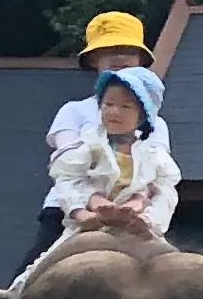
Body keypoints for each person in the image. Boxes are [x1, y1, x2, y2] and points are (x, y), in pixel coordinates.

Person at [27, 11, 162, 262]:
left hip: (133, 213)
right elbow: (68, 165)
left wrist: (136, 205)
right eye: (110, 49)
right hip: (69, 209)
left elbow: (155, 172)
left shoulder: (156, 123)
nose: (120, 56)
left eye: (128, 50)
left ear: (141, 60)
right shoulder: (73, 111)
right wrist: (94, 203)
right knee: (31, 273)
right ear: (93, 60)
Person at [41, 68, 177, 248]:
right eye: (108, 104)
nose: (114, 112)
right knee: (36, 271)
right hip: (90, 222)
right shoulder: (87, 146)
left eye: (125, 106)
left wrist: (147, 216)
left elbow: (164, 190)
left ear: (142, 117)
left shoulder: (152, 154)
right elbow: (68, 180)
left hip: (136, 224)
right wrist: (82, 212)